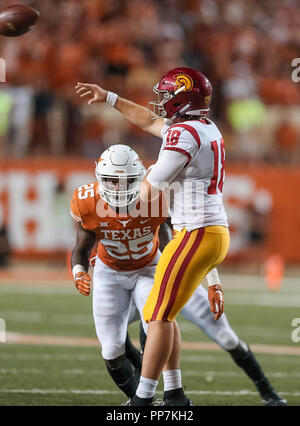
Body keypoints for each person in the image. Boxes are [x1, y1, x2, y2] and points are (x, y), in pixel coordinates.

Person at [75, 68, 286, 406]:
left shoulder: (183, 136)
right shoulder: (203, 127)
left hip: (196, 234)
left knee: (157, 316)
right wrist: (110, 98)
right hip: (202, 233)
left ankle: (145, 398)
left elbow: (148, 191)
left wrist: (113, 191)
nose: (161, 101)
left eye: (167, 95)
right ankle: (173, 393)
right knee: (164, 314)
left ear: (181, 99)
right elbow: (147, 121)